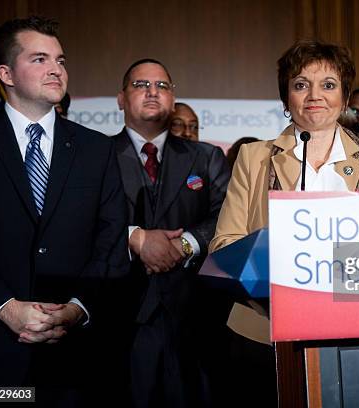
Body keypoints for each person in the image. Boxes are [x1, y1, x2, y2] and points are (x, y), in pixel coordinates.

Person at [209, 39, 359, 407]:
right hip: (266, 335)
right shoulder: (253, 157)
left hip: (356, 334)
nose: (315, 95)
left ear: (344, 97)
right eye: (301, 84)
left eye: (328, 85)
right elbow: (223, 247)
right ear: (286, 99)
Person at [0, 16, 129, 405]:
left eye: (60, 60)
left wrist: (77, 308)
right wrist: (4, 308)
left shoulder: (98, 149)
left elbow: (111, 240)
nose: (56, 69)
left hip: (75, 359)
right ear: (6, 73)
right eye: (40, 59)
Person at [114, 58, 230, 407]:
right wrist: (137, 239)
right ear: (121, 99)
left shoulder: (207, 157)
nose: (153, 92)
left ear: (173, 96)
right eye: (141, 85)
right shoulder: (94, 155)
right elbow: (82, 221)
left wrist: (185, 243)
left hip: (195, 318)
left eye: (162, 86)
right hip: (120, 318)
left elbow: (226, 216)